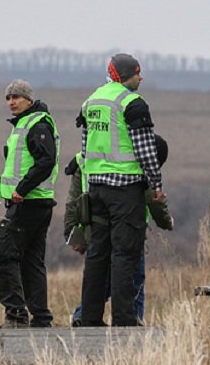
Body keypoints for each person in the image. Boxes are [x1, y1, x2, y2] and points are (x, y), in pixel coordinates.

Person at [77, 53, 165, 327]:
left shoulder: (91, 101)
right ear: (127, 75)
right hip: (125, 189)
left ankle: (90, 317)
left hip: (96, 188)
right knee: (125, 254)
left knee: (97, 254)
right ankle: (124, 319)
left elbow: (85, 147)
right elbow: (145, 149)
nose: (141, 77)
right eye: (138, 73)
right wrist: (156, 184)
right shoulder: (132, 103)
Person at [64, 135, 173, 326]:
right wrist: (166, 222)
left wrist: (72, 234)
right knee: (132, 276)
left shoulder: (84, 159)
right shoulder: (136, 164)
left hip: (95, 227)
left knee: (99, 273)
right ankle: (132, 319)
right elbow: (153, 200)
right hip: (128, 227)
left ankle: (85, 315)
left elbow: (73, 202)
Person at [0, 79, 60, 328]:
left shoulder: (36, 124)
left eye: (16, 97)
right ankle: (40, 317)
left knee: (6, 257)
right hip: (35, 202)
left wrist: (21, 189)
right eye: (8, 98)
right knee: (32, 261)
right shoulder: (24, 124)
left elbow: (46, 161)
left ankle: (16, 315)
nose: (11, 102)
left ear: (29, 100)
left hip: (28, 202)